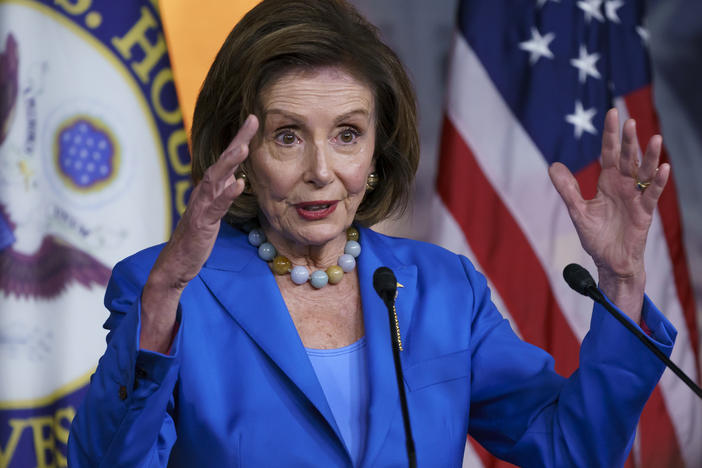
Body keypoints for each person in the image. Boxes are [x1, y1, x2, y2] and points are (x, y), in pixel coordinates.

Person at [67, 0, 676, 466]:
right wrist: (166, 290)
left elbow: (569, 449)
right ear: (241, 153)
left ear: (377, 151)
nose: (322, 172)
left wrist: (621, 280)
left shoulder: (443, 288)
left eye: (347, 134)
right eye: (288, 136)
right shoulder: (169, 292)